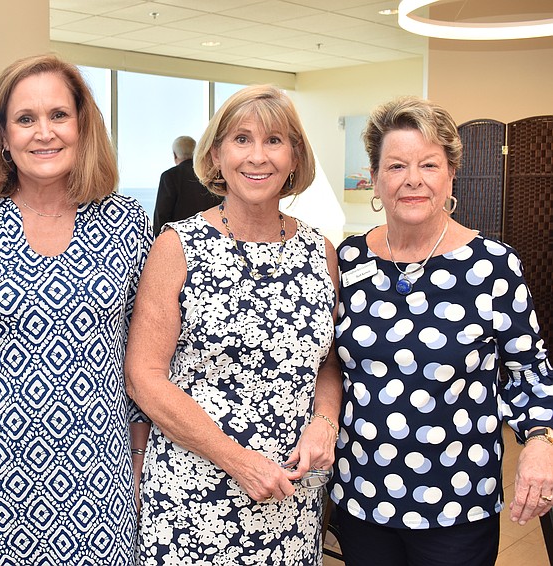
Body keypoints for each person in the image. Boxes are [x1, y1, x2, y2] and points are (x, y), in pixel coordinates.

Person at [0, 54, 153, 566]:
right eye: (25, 119)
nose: (43, 133)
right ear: (3, 137)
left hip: (101, 485)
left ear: (82, 125)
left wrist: (139, 464)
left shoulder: (128, 223)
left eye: (58, 115)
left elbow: (140, 363)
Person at [125, 84, 342, 565]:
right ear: (217, 154)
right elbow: (144, 377)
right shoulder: (178, 247)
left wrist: (325, 423)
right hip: (194, 498)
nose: (257, 157)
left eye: (274, 141)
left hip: (293, 496)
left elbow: (328, 361)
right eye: (242, 139)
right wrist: (239, 462)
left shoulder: (320, 252)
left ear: (295, 157)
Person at [332, 95, 553, 566]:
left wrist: (540, 440)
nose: (413, 180)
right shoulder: (347, 260)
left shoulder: (494, 266)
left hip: (458, 502)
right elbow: (324, 364)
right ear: (374, 178)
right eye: (396, 166)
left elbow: (530, 372)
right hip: (360, 498)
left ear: (451, 174)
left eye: (428, 164)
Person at [152, 135, 221, 235]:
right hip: (210, 237)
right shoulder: (209, 175)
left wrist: (158, 239)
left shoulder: (169, 176)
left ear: (175, 155)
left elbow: (162, 214)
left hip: (179, 240)